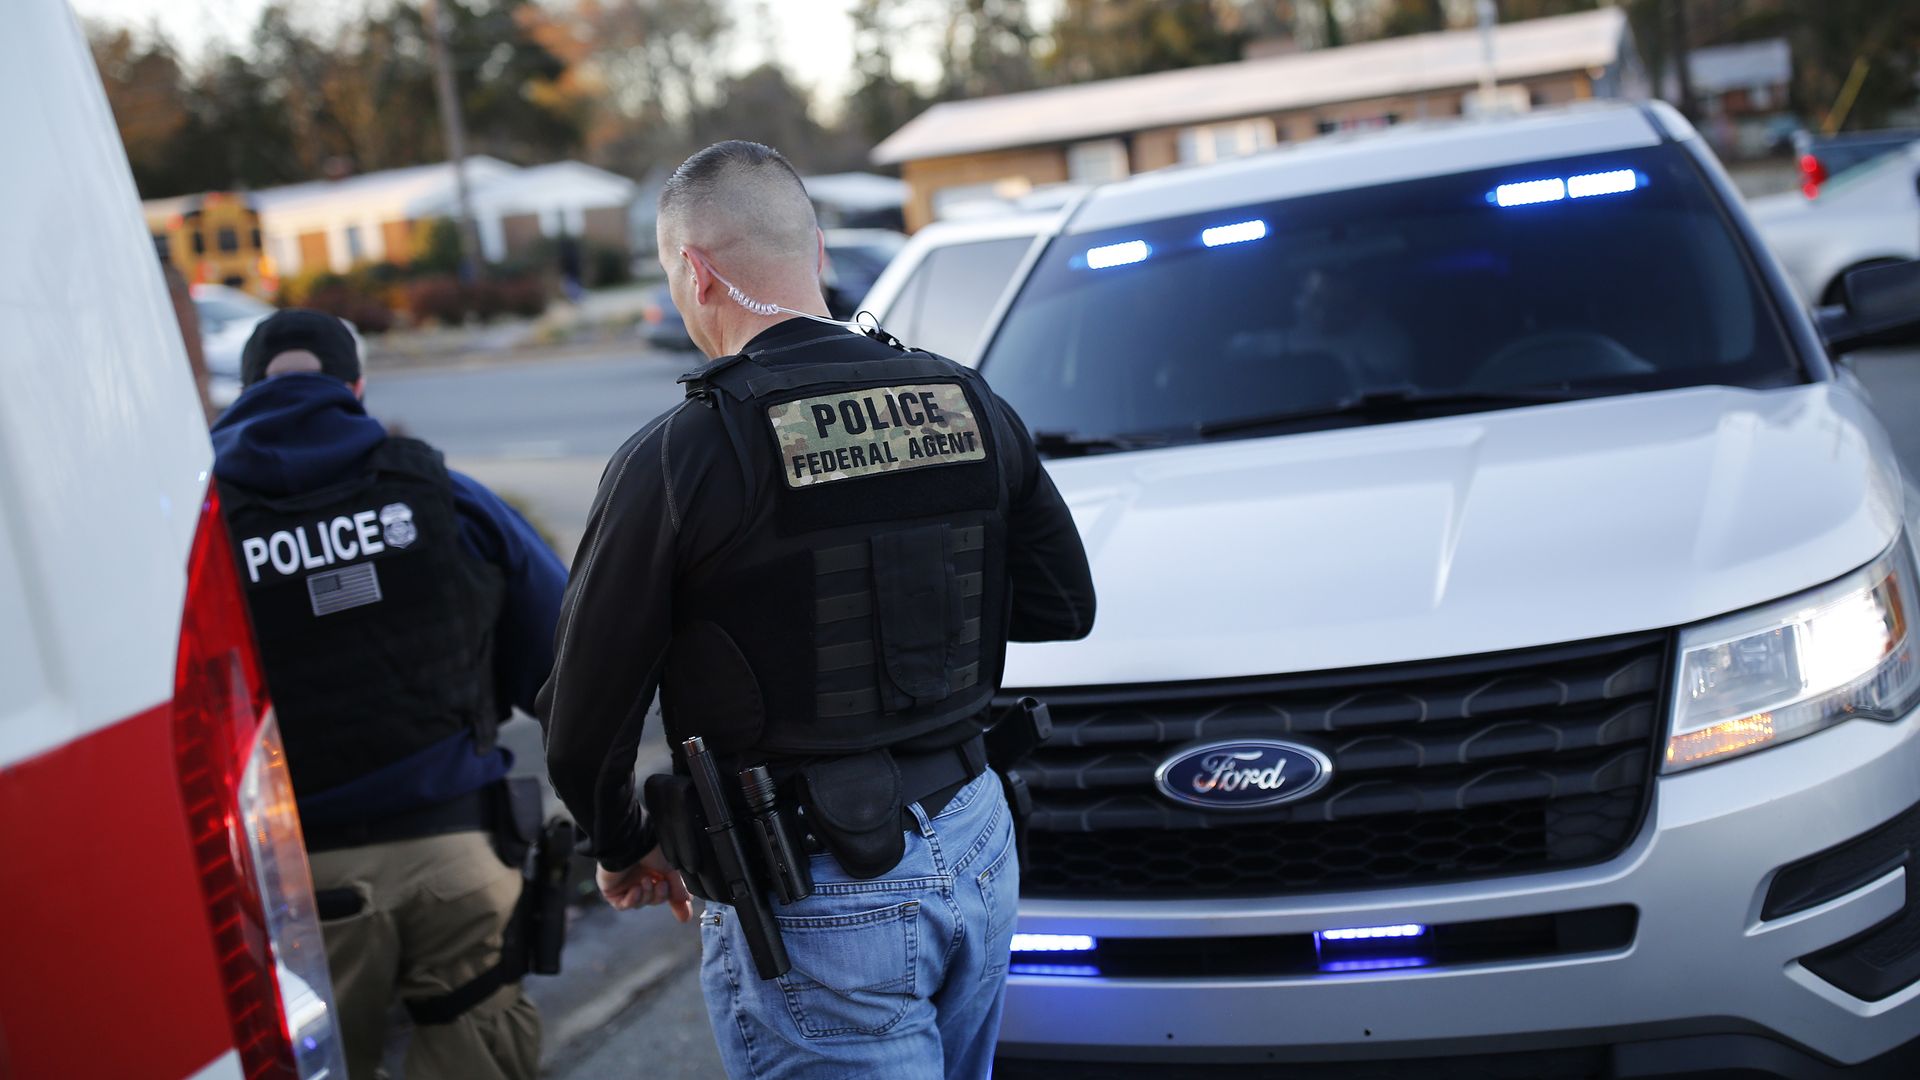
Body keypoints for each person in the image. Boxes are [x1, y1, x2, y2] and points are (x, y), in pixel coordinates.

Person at [538, 140, 1096, 1080]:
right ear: (820, 253)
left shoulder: (683, 454)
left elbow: (581, 713)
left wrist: (624, 844)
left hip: (823, 892)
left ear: (694, 269)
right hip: (976, 838)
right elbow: (1062, 604)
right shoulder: (962, 398)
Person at [211, 309, 566, 1080]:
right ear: (356, 388)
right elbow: (567, 666)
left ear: (242, 396)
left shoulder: (202, 536)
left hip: (294, 888)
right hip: (458, 859)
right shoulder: (444, 496)